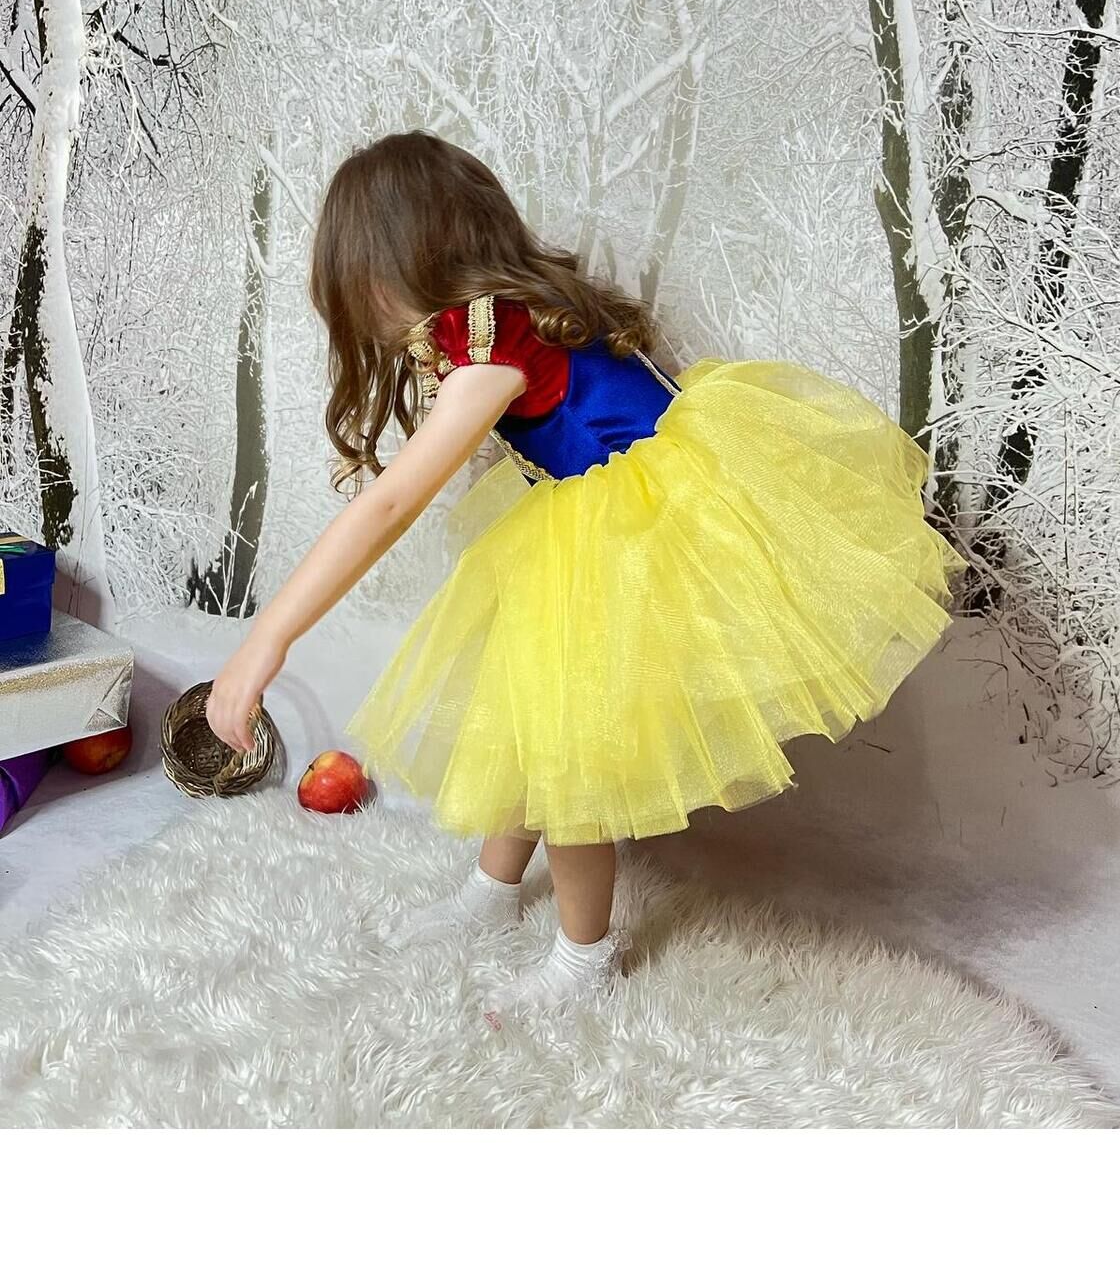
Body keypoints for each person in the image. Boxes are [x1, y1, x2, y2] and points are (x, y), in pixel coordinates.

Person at [206, 130, 967, 1017]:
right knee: (526, 714)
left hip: (641, 536)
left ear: (396, 262)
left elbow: (388, 505)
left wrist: (266, 639)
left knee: (569, 751)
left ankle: (581, 956)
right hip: (596, 515)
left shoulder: (494, 342)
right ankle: (494, 889)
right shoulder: (496, 317)